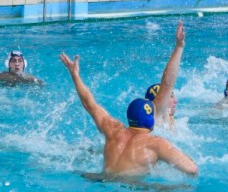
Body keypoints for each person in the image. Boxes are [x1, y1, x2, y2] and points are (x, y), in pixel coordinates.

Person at [59, 52, 198, 177]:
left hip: (99, 180)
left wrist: (75, 75)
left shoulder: (112, 129)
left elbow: (89, 104)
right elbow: (192, 170)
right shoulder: (156, 143)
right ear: (151, 120)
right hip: (128, 190)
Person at [142, 21, 186, 128]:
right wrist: (179, 47)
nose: (176, 101)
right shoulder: (156, 118)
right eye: (170, 96)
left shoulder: (169, 119)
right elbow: (167, 84)